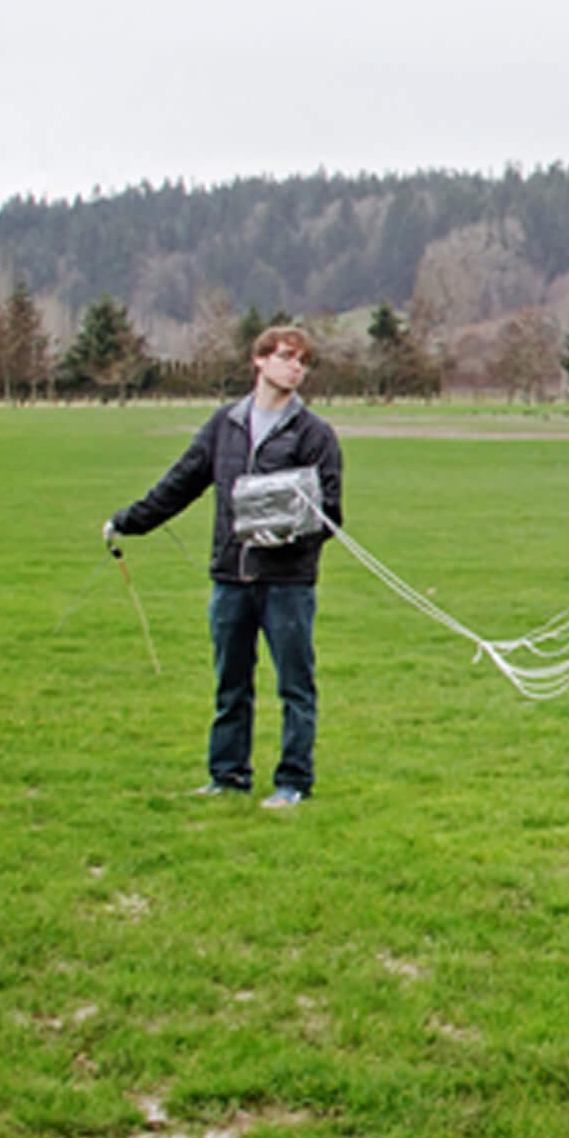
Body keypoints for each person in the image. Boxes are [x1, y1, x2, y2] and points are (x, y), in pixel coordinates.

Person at [106, 325, 342, 809]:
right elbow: (180, 483)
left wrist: (284, 528)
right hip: (231, 578)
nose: (295, 367)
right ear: (259, 361)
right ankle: (227, 775)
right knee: (231, 684)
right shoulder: (224, 426)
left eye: (303, 362)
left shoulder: (315, 435)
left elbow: (330, 515)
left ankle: (293, 781)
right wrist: (128, 522)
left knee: (295, 685)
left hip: (287, 582)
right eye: (286, 357)